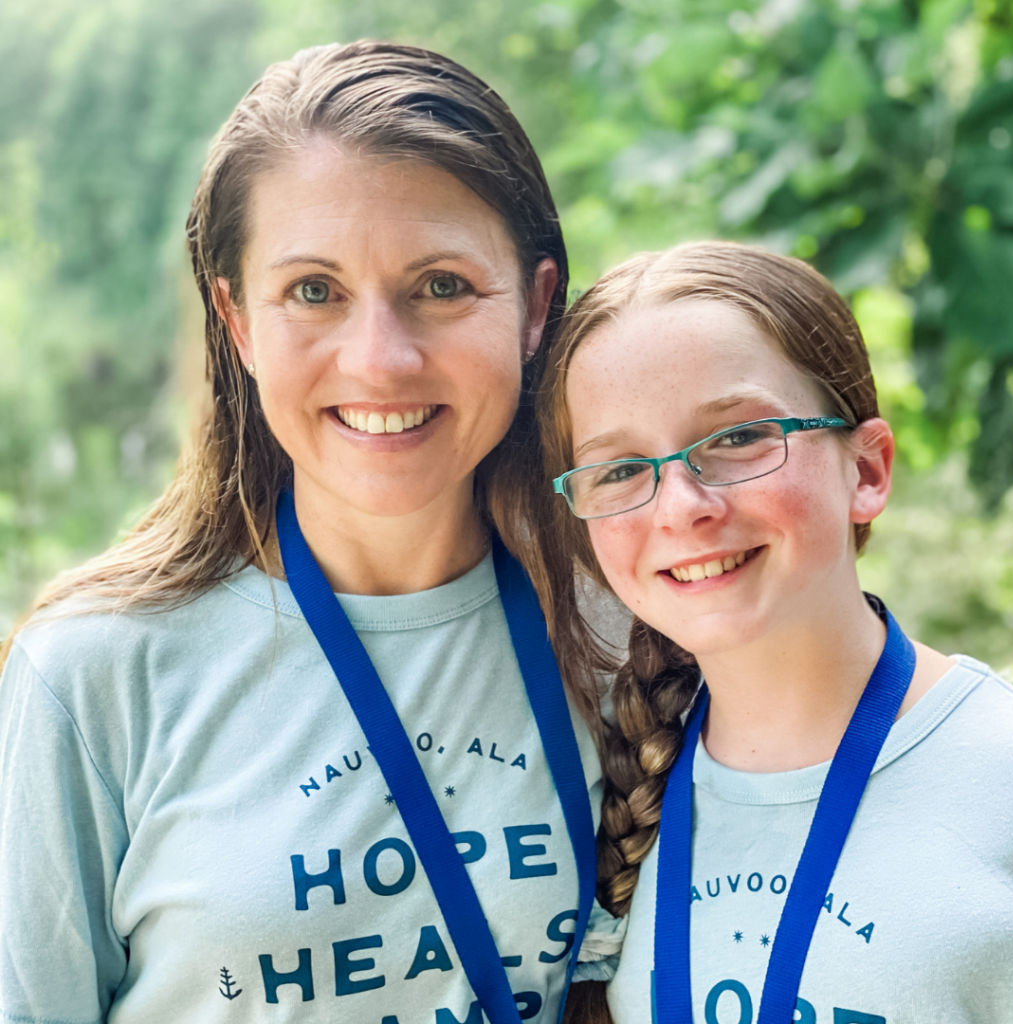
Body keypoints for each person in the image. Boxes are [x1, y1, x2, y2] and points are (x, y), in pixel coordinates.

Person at [0, 42, 604, 1024]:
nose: (381, 358)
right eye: (314, 291)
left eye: (442, 285)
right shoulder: (93, 677)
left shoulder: (627, 630)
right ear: (236, 319)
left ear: (535, 307)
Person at [539, 242, 1013, 1023]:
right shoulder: (607, 794)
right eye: (621, 469)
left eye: (735, 438)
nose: (682, 506)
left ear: (865, 471)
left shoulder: (1005, 773)